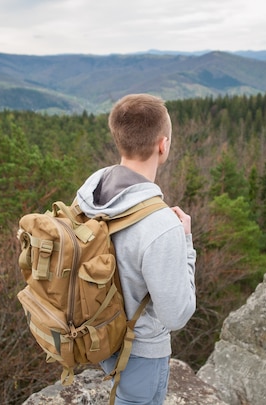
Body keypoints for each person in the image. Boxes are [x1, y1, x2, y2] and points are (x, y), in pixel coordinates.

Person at [76, 93, 196, 404]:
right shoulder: (161, 226)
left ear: (118, 139)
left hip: (95, 332)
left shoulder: (89, 193)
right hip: (139, 352)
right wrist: (185, 243)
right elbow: (176, 315)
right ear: (163, 145)